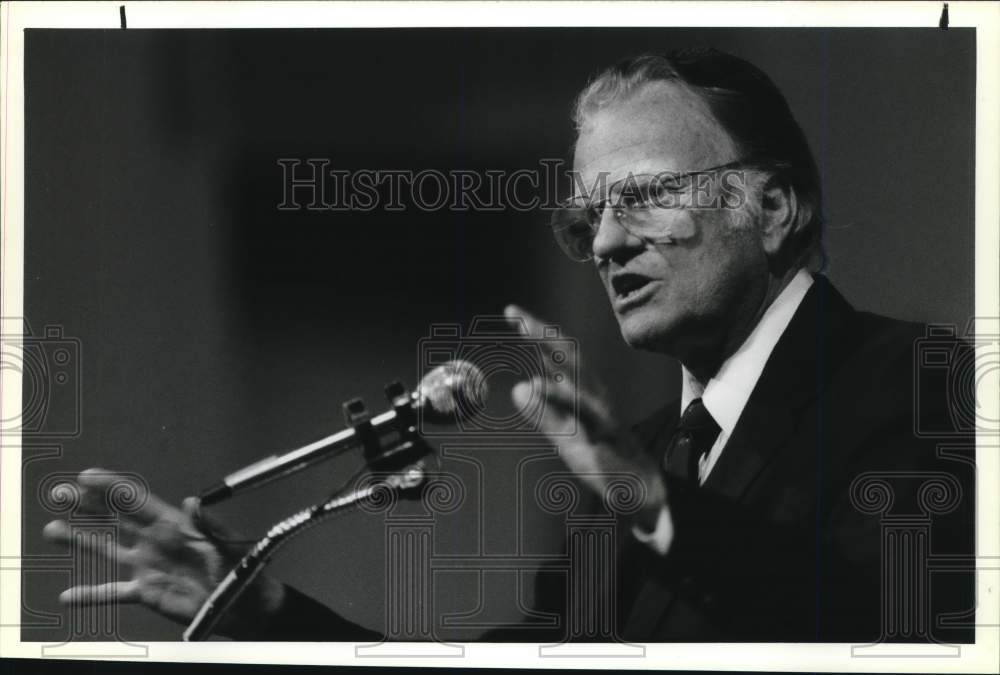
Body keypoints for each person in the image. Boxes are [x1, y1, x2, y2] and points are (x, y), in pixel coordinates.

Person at [42, 48, 974, 643]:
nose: (606, 244)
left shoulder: (911, 382)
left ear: (770, 207)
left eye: (643, 195)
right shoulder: (641, 454)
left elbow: (873, 629)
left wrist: (645, 499)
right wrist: (264, 613)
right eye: (589, 215)